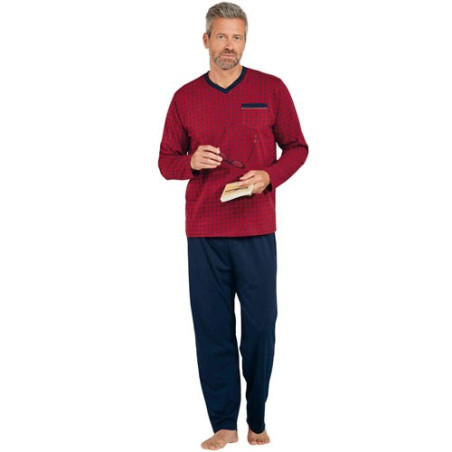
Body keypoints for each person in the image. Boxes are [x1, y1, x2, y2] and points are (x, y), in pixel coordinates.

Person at [158, 2, 309, 449]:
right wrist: (190, 162)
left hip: (256, 229)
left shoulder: (271, 88)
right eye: (221, 36)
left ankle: (256, 417)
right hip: (205, 232)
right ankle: (224, 423)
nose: (229, 45)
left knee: (260, 327)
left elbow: (298, 148)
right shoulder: (184, 97)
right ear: (206, 40)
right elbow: (165, 163)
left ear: (245, 41)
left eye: (237, 37)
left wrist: (269, 176)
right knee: (212, 329)